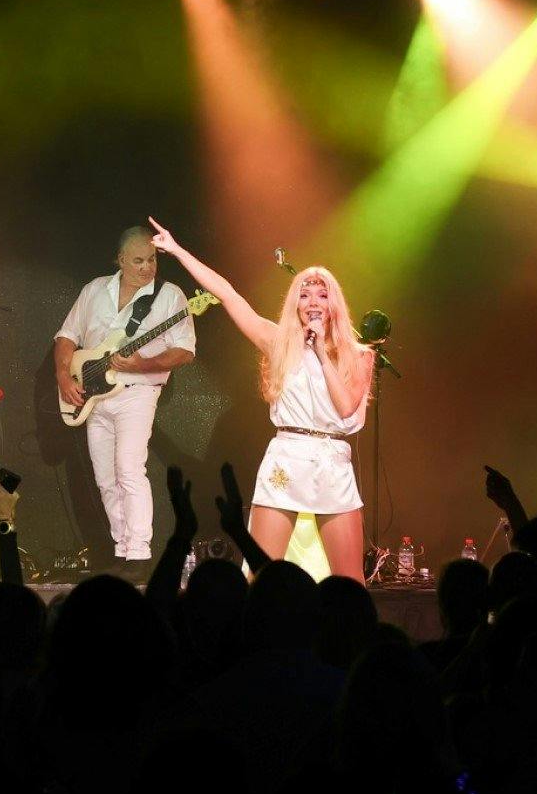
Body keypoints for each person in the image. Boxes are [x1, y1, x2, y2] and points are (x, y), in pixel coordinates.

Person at [145, 217, 373, 582]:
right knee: (261, 573)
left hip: (332, 463)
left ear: (334, 303)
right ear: (295, 303)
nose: (312, 301)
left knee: (350, 582)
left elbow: (346, 407)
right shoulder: (277, 341)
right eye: (304, 294)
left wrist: (321, 353)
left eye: (321, 294)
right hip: (287, 456)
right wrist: (177, 250)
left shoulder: (359, 355)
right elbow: (228, 294)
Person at [53, 225, 198, 566]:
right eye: (138, 261)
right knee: (105, 478)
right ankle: (122, 549)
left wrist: (143, 364)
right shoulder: (94, 290)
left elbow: (185, 351)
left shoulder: (170, 296)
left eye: (152, 260)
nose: (148, 267)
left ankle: (139, 554)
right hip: (95, 395)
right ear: (120, 260)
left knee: (129, 469)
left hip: (138, 392)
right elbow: (66, 336)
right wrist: (63, 376)